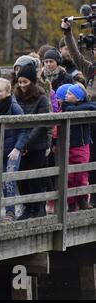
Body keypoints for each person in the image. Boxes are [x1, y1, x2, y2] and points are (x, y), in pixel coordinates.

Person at [61, 19, 96, 206]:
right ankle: (85, 200)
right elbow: (75, 55)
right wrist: (67, 32)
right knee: (89, 162)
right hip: (88, 124)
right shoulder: (91, 69)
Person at [0, 78, 29, 222]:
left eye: (0, 91)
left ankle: (10, 212)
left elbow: (25, 128)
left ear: (8, 92)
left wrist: (18, 148)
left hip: (12, 151)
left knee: (9, 180)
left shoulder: (14, 107)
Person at [14, 64, 52, 220]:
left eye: (25, 82)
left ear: (32, 82)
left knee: (35, 178)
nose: (22, 85)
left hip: (37, 144)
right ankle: (27, 208)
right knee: (22, 179)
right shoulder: (15, 97)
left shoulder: (41, 98)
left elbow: (41, 123)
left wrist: (26, 143)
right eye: (20, 82)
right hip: (19, 143)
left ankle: (38, 207)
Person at [61, 83, 96, 211]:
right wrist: (85, 107)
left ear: (79, 97)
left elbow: (94, 106)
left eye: (70, 94)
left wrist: (85, 106)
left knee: (81, 174)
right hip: (67, 145)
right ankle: (71, 203)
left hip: (82, 145)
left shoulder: (87, 105)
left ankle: (82, 200)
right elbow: (71, 110)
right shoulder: (66, 105)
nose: (66, 95)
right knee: (69, 177)